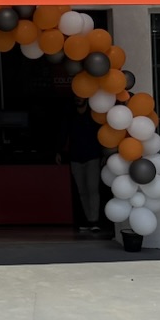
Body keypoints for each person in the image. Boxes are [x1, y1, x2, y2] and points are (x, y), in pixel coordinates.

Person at [67, 97, 108, 234]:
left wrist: (104, 152)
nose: (78, 99)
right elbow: (65, 132)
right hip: (75, 157)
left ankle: (94, 221)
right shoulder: (71, 115)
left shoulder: (94, 115)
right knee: (82, 191)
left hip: (92, 156)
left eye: (80, 96)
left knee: (92, 188)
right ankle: (88, 220)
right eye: (76, 96)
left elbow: (102, 134)